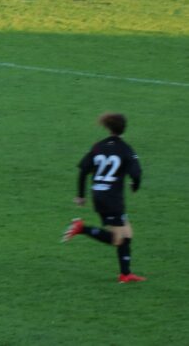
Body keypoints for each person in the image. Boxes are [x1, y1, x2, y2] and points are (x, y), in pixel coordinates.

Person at [61, 113, 145, 282]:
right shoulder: (126, 149)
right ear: (124, 128)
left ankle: (125, 274)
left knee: (127, 234)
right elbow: (136, 173)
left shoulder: (98, 146)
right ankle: (81, 228)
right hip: (112, 199)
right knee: (117, 239)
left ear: (108, 128)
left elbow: (83, 169)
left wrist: (80, 195)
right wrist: (134, 186)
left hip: (99, 195)